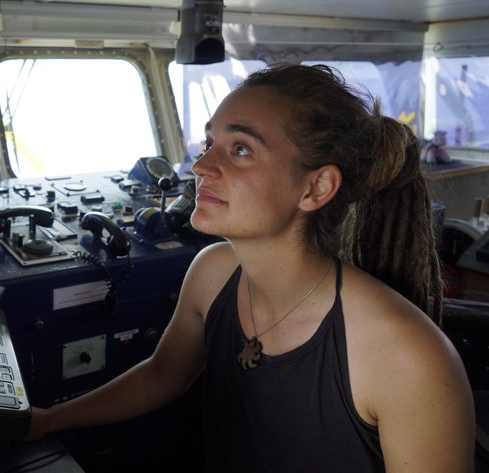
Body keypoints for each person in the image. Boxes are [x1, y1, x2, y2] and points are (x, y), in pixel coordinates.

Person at [26, 63, 475, 471]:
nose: (201, 166)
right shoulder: (213, 272)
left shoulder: (409, 356)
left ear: (316, 187)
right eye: (208, 144)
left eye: (240, 149)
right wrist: (47, 421)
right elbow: (162, 376)